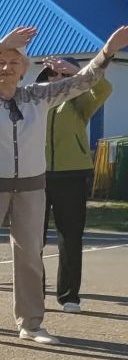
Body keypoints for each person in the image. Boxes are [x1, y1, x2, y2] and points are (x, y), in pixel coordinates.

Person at [0, 25, 128, 344]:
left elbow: (84, 82)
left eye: (15, 62)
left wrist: (107, 53)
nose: (7, 67)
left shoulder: (39, 96)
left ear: (25, 69)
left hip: (30, 189)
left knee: (30, 256)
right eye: (1, 62)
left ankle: (31, 323)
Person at [43, 60, 112, 312]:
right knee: (31, 239)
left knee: (70, 237)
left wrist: (77, 73)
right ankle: (33, 292)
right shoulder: (34, 101)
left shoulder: (79, 102)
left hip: (71, 176)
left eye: (62, 73)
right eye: (52, 74)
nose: (57, 77)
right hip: (35, 176)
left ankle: (69, 296)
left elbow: (103, 89)